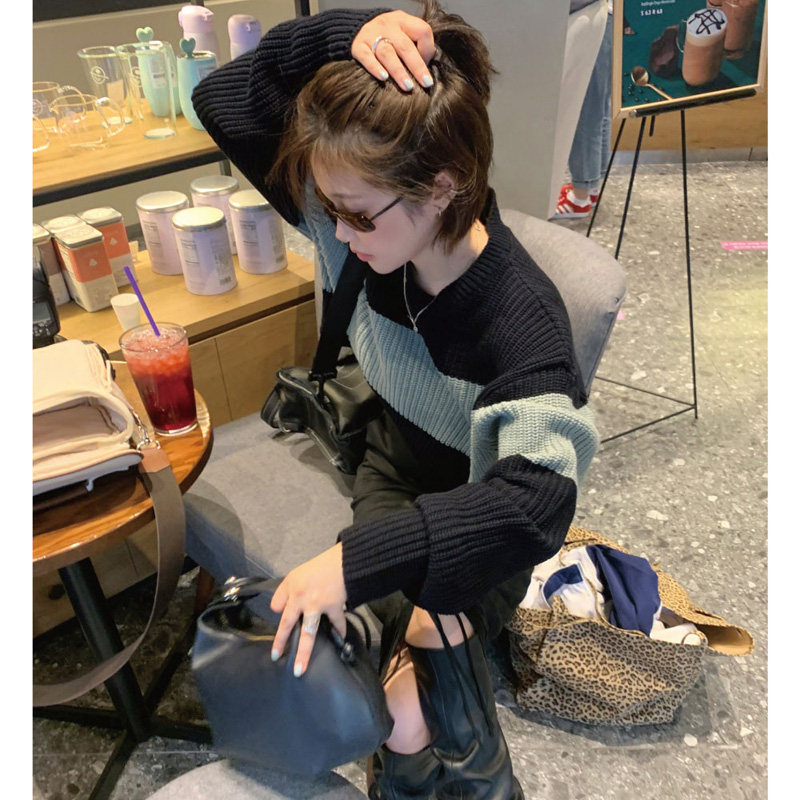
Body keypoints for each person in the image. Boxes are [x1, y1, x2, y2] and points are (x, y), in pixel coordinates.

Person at [192, 2, 598, 799]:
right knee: (389, 694)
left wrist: (355, 563)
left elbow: (534, 504)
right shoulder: (364, 229)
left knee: (414, 682)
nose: (336, 232)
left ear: (442, 187)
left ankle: (460, 773)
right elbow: (224, 97)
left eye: (355, 215)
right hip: (389, 471)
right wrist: (345, 32)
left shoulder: (519, 319)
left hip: (480, 516)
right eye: (331, 207)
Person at [553, 0, 613, 219]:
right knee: (598, 110)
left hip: (589, 19)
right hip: (606, 17)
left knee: (585, 113)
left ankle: (580, 197)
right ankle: (591, 188)